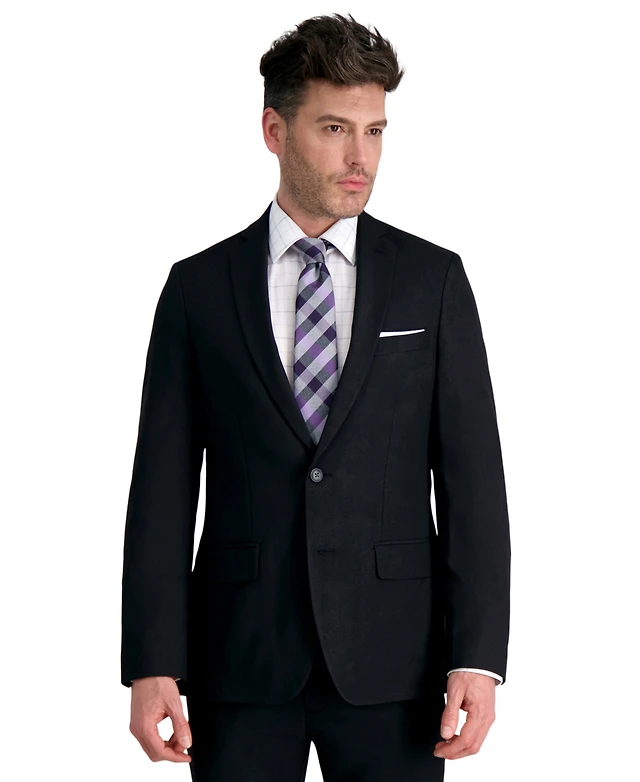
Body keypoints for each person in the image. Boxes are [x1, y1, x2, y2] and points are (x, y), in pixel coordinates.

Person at [120, 13, 511, 781]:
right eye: (335, 129)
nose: (360, 157)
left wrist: (478, 655)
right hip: (239, 660)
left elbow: (473, 480)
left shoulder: (432, 281)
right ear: (274, 130)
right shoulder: (198, 289)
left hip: (396, 664)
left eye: (375, 131)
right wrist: (150, 659)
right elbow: (161, 488)